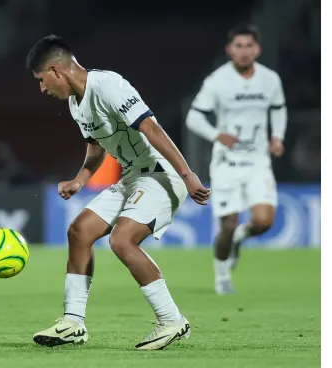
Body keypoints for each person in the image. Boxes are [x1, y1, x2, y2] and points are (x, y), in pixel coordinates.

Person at [25, 35, 211, 350]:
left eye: (42, 81)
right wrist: (79, 180)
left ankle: (171, 320)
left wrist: (188, 175)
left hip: (161, 173)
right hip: (133, 176)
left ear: (56, 71)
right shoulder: (75, 103)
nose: (42, 89)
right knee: (80, 231)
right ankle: (73, 323)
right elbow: (96, 147)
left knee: (122, 240)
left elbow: (152, 129)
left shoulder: (108, 85)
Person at [185, 23, 287, 295]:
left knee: (264, 222)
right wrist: (218, 135)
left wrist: (277, 137)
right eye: (238, 46)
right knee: (227, 223)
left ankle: (242, 237)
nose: (244, 52)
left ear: (258, 49)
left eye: (249, 46)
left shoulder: (270, 79)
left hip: (257, 162)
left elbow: (278, 109)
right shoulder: (217, 81)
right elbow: (193, 118)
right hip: (227, 164)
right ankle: (222, 277)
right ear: (230, 50)